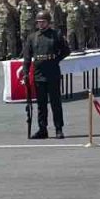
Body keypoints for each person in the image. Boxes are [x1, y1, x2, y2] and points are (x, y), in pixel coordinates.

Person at [19, 10, 70, 139]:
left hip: (52, 72)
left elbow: (66, 50)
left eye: (43, 22)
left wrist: (55, 60)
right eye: (39, 22)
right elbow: (27, 57)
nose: (40, 24)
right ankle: (42, 129)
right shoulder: (32, 37)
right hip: (38, 73)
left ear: (48, 22)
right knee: (41, 104)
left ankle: (59, 128)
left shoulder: (56, 34)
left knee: (55, 102)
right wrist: (25, 73)